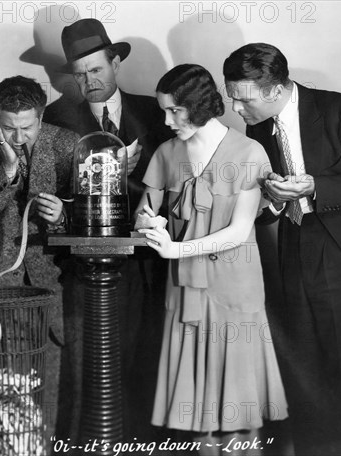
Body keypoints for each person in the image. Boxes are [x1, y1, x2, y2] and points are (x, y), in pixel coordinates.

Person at [223, 43, 341, 456]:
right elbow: (264, 205)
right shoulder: (258, 129)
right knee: (305, 368)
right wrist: (274, 200)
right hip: (294, 254)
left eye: (242, 98)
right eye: (231, 97)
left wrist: (315, 187)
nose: (236, 108)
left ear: (274, 90)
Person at [137, 64, 288, 453]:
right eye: (164, 111)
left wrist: (176, 248)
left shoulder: (249, 151)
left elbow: (239, 232)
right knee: (196, 415)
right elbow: (145, 210)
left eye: (175, 111)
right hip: (185, 290)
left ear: (199, 106)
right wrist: (148, 221)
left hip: (234, 288)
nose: (167, 121)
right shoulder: (168, 152)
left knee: (239, 411)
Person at [43, 18, 172, 440]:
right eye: (79, 75)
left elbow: (182, 182)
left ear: (115, 62)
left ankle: (139, 443)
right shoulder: (55, 118)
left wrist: (138, 176)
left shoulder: (157, 112)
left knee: (144, 357)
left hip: (150, 262)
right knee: (92, 360)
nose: (88, 81)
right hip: (83, 262)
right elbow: (50, 187)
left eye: (96, 70)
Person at [0, 75, 79, 449]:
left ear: (41, 117)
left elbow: (95, 222)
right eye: (9, 128)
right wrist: (4, 171)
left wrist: (63, 218)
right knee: (0, 405)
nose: (19, 137)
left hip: (53, 295)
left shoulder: (67, 144)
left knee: (48, 403)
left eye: (27, 127)